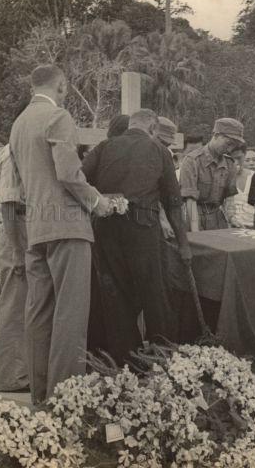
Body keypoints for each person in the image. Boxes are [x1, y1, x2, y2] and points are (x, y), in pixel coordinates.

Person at [10, 65, 113, 404]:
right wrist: (97, 201)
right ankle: (67, 400)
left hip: (37, 228)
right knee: (70, 314)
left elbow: (22, 184)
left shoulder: (18, 125)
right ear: (62, 86)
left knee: (38, 313)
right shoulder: (59, 117)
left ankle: (41, 398)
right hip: (68, 227)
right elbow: (69, 173)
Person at [82, 109, 191, 365]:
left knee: (115, 295)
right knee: (155, 293)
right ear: (153, 129)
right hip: (143, 228)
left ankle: (124, 360)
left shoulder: (104, 146)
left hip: (106, 227)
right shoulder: (158, 151)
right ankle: (163, 357)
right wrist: (183, 244)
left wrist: (100, 203)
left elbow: (79, 181)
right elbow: (174, 203)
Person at [0, 142, 29, 392]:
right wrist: (17, 249)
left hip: (22, 227)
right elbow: (8, 204)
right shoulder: (11, 154)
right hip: (14, 230)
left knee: (23, 303)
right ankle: (10, 377)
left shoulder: (20, 150)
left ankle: (21, 372)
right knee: (14, 303)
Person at [180, 118, 243, 232]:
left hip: (218, 220)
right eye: (228, 143)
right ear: (216, 135)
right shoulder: (192, 161)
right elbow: (190, 201)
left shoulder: (229, 164)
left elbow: (229, 197)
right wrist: (196, 231)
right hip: (195, 217)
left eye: (234, 146)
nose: (229, 149)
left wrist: (232, 218)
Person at [224, 145, 255, 229]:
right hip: (232, 228)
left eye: (239, 158)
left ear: (245, 155)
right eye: (232, 159)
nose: (236, 162)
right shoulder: (223, 179)